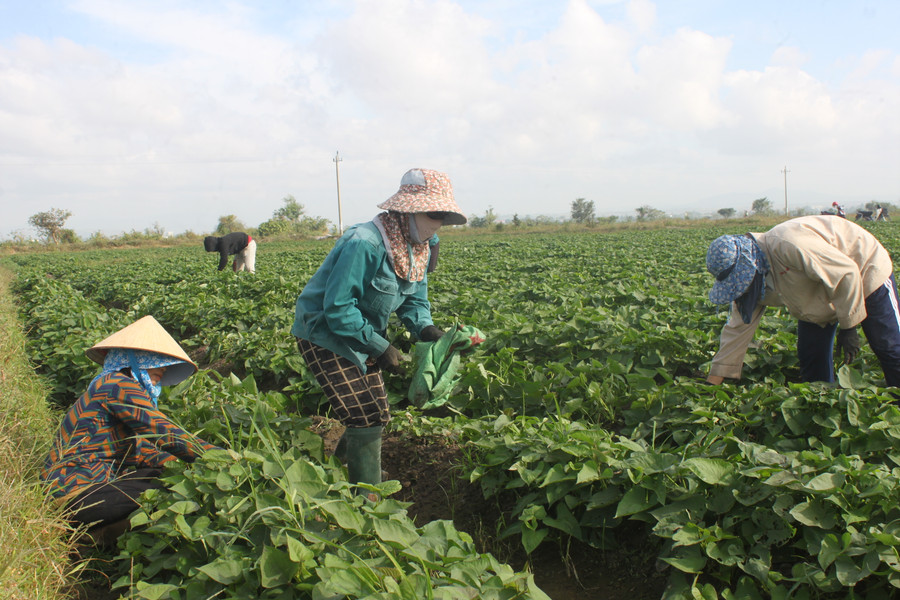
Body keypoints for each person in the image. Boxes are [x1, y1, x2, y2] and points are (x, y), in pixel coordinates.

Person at [291, 168, 466, 496]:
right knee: (365, 413)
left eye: (442, 216)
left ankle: (347, 466)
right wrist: (380, 346)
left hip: (361, 331)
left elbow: (415, 299)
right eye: (434, 214)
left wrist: (425, 328)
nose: (437, 223)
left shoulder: (418, 246)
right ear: (408, 210)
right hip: (324, 332)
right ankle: (366, 495)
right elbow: (339, 308)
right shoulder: (365, 243)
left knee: (377, 410)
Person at [41, 315, 219, 545]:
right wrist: (221, 460)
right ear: (135, 361)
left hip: (80, 495)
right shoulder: (117, 385)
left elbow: (146, 450)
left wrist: (187, 467)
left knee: (170, 474)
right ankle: (92, 536)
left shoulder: (109, 387)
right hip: (74, 491)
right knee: (167, 484)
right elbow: (164, 433)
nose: (163, 371)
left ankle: (96, 538)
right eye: (157, 362)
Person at [704, 215, 900, 387]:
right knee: (812, 355)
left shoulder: (788, 244)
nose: (741, 285)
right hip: (819, 292)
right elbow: (737, 330)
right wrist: (712, 385)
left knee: (888, 346)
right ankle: (822, 404)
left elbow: (846, 273)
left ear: (749, 264)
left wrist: (849, 328)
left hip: (864, 268)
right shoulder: (751, 286)